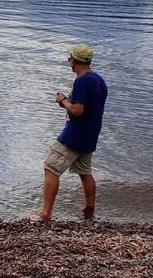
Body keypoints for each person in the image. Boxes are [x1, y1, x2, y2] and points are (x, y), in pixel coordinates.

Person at [39, 44, 108, 221]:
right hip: (90, 135)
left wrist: (63, 100)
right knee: (85, 172)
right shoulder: (99, 80)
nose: (70, 63)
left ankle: (45, 214)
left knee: (51, 168)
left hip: (75, 134)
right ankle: (89, 209)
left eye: (70, 59)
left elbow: (77, 110)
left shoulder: (82, 80)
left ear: (74, 61)